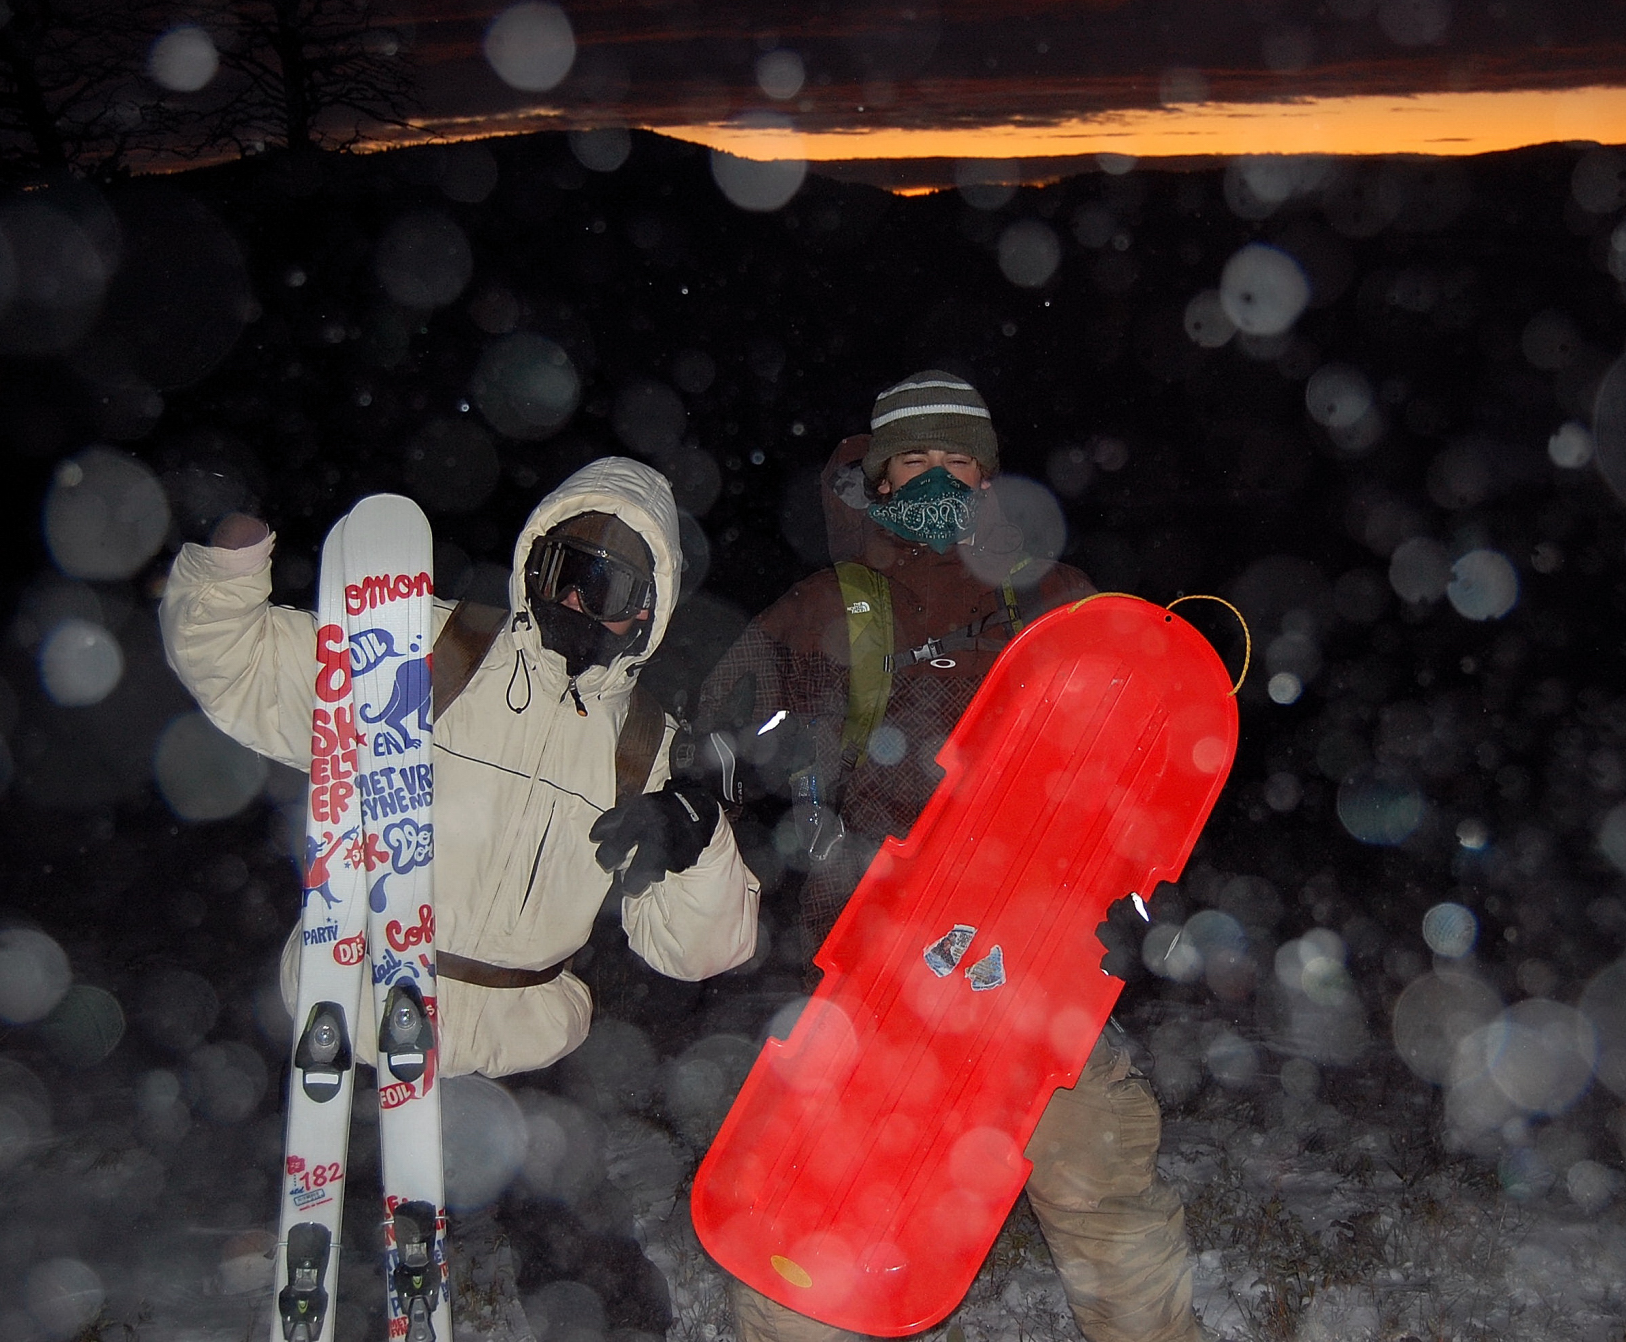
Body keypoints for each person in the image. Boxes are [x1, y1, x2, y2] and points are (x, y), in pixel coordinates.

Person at [696, 372, 1209, 1342]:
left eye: (959, 462)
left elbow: (1136, 771)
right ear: (877, 478)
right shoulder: (833, 606)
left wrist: (1137, 912)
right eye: (915, 462)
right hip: (872, 974)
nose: (938, 481)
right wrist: (754, 757)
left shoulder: (1055, 602)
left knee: (1097, 1182)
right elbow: (721, 715)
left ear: (990, 477)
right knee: (805, 1228)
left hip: (1031, 966)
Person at [159, 455, 762, 1081]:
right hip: (351, 1033)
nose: (573, 600)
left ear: (646, 610)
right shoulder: (426, 651)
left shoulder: (646, 747)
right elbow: (236, 665)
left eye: (604, 587)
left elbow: (699, 954)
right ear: (534, 562)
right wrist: (225, 557)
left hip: (521, 1081)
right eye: (561, 571)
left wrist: (700, 840)